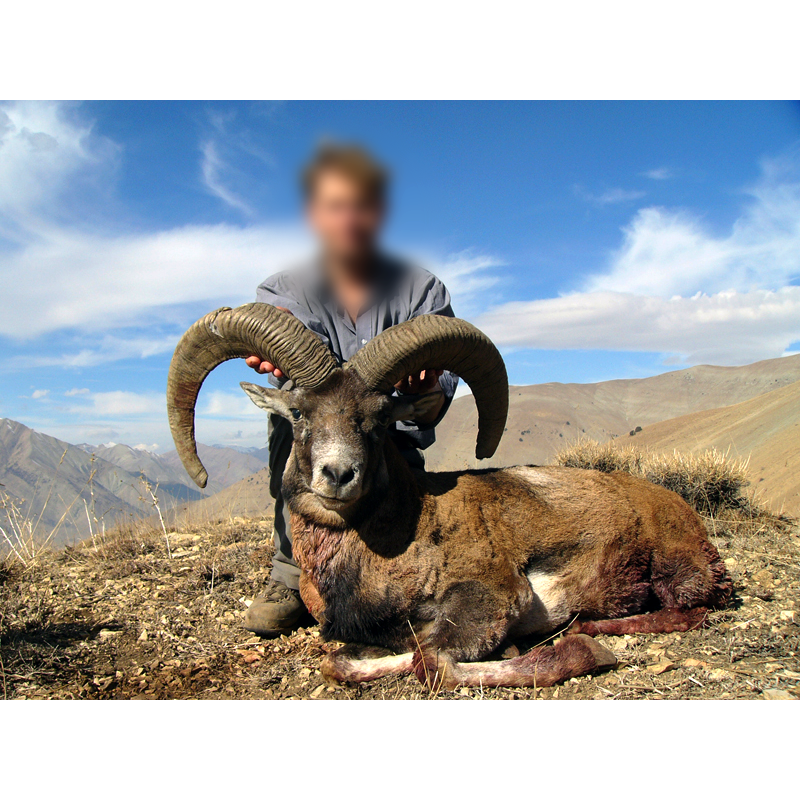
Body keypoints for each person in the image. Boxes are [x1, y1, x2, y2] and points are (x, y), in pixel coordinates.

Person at [242, 143, 459, 637]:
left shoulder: (422, 292)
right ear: (315, 215)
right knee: (290, 417)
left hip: (387, 443)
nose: (349, 219)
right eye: (335, 206)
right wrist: (273, 351)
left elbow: (444, 383)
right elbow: (303, 385)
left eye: (361, 205)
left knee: (411, 576)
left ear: (379, 212)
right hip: (315, 440)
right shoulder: (283, 294)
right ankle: (289, 570)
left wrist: (431, 380)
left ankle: (404, 552)